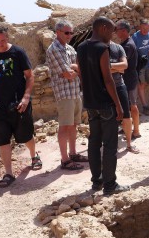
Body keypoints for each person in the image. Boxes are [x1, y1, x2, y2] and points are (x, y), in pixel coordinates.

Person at [0, 25, 42, 187]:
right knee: (2, 138)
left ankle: (33, 155)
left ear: (7, 38)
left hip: (18, 102)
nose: (0, 44)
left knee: (25, 135)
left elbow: (30, 76)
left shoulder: (18, 53)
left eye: (3, 40)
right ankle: (8, 173)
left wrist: (26, 97)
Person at [76, 16, 127, 196]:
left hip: (90, 103)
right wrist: (118, 106)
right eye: (112, 30)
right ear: (103, 28)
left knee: (94, 142)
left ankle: (96, 182)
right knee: (110, 144)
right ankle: (110, 185)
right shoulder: (102, 49)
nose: (112, 35)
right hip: (105, 103)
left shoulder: (81, 48)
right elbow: (108, 79)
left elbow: (81, 76)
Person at [46, 20, 87, 170]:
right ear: (57, 32)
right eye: (67, 32)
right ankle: (65, 160)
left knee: (74, 125)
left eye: (71, 32)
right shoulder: (54, 49)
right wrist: (76, 71)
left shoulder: (70, 49)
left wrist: (74, 70)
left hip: (75, 91)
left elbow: (74, 69)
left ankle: (73, 153)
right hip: (64, 93)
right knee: (64, 126)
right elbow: (68, 73)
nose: (70, 35)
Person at [108, 39, 139, 154]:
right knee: (109, 117)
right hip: (105, 87)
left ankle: (129, 144)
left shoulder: (118, 48)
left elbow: (124, 65)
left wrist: (107, 66)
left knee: (126, 115)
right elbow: (98, 69)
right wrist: (117, 67)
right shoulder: (98, 48)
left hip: (119, 85)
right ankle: (111, 145)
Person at [116, 19, 141, 140]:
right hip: (127, 77)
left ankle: (136, 131)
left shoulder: (128, 45)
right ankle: (127, 127)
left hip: (129, 79)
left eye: (117, 29)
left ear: (124, 31)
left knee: (132, 105)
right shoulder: (125, 43)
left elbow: (122, 64)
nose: (115, 32)